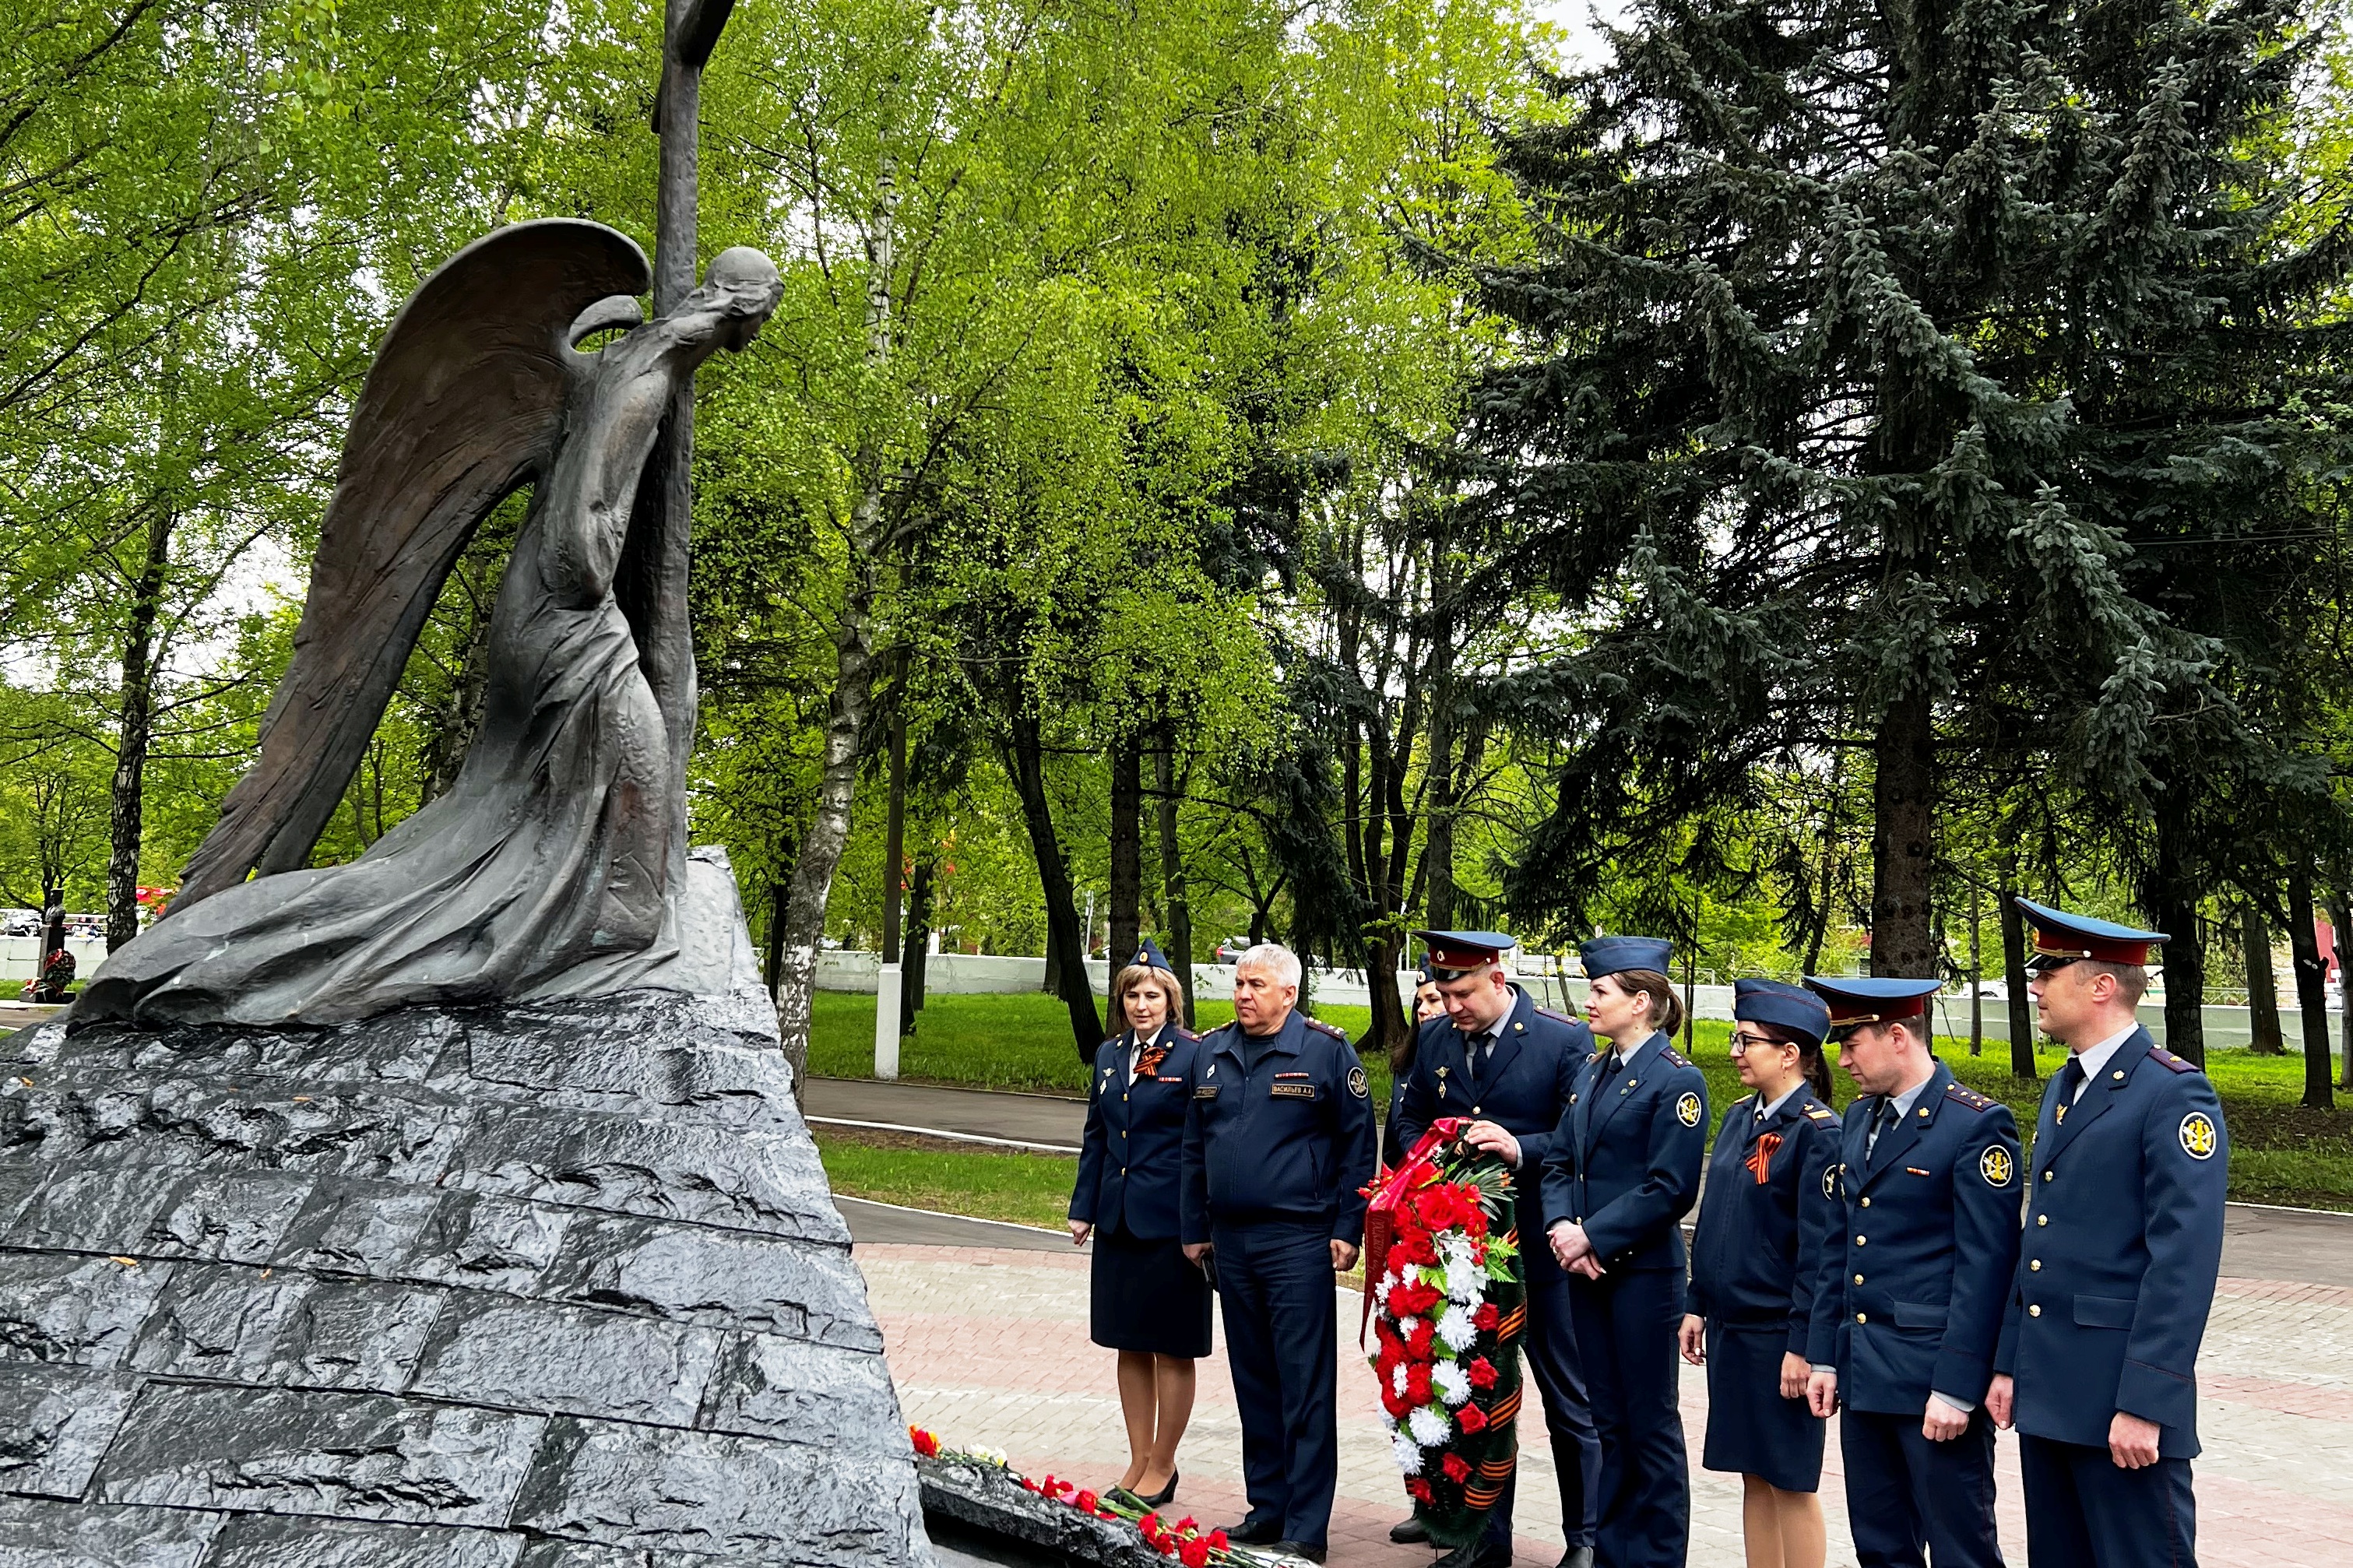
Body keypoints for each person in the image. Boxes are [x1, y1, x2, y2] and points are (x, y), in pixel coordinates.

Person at [1985, 902, 2227, 1567]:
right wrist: (2009, 1361)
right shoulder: (2066, 1084)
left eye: (2048, 970)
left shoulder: (2174, 1094)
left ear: (2100, 986)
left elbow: (2184, 1260)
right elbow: (2040, 1237)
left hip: (2120, 1402)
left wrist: (2148, 1401)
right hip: (2052, 1393)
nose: (2033, 986)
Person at [1391, 930, 1602, 1568]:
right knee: (1476, 1399)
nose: (1451, 1007)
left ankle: (1586, 1536)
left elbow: (1579, 1136)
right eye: (1444, 994)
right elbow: (1407, 1121)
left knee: (1569, 1401)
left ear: (1497, 980)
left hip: (1543, 1249)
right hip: (1463, 1256)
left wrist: (1518, 1148)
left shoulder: (1561, 1039)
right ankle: (1483, 1538)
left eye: (1462, 993)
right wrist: (1436, 1154)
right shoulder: (1433, 1040)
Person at [1801, 976, 2020, 1568]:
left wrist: (1957, 1386)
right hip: (1865, 1374)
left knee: (1960, 1549)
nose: (1841, 1061)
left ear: (1898, 1036)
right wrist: (1824, 1356)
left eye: (1851, 1044)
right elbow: (1838, 1246)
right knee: (1880, 1545)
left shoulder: (1973, 1124)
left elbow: (1987, 1268)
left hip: (1932, 1383)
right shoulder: (1857, 1119)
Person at [1180, 942, 1377, 1564]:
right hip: (1231, 1241)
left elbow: (1356, 1146)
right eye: (1239, 982)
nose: (1242, 993)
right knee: (1255, 1380)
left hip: (1298, 1240)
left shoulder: (1324, 1051)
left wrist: (1349, 1227)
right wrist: (1194, 1227)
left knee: (1304, 1384)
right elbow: (1193, 1147)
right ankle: (1267, 1507)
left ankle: (1306, 1525)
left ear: (1289, 994)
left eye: (1257, 985)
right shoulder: (1212, 1051)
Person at [1540, 936, 1708, 1568]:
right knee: (1609, 1423)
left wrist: (1594, 1235)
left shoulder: (1677, 1080)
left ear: (1641, 1002)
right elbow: (1558, 1160)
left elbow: (1670, 1187)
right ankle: (1612, 1553)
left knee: (1650, 1428)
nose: (1589, 1002)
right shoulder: (1593, 1071)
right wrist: (1563, 1230)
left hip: (1642, 1278)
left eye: (1600, 991)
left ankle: (1658, 1556)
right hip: (1586, 1272)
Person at [1679, 980, 1841, 1568]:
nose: (1734, 1052)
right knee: (1752, 1473)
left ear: (1790, 1053)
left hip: (1780, 1336)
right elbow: (1718, 1218)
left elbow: (1821, 1255)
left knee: (1790, 1479)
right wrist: (1697, 1302)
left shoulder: (1819, 1133)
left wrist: (1805, 1347)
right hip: (1733, 1329)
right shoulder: (1739, 1117)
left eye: (1747, 1041)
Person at [1070, 940, 1212, 1509]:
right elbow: (1097, 1136)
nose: (1142, 1004)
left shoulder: (1193, 1055)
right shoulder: (1110, 1056)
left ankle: (1164, 1462)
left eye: (1152, 994)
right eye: (1133, 993)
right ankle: (1137, 1458)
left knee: (1171, 1347)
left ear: (1171, 1000)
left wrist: (1199, 1220)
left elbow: (1201, 1142)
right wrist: (1084, 1207)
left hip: (1173, 1225)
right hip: (1119, 1219)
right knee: (1127, 1342)